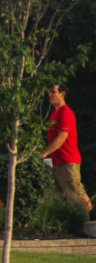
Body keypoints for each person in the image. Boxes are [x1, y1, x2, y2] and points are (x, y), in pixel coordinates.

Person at [42, 83, 91, 213]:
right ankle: (73, 224)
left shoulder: (66, 113)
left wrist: (45, 152)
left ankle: (89, 222)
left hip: (68, 161)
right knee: (64, 196)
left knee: (77, 193)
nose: (50, 95)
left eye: (53, 92)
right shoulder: (55, 113)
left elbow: (62, 137)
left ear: (62, 94)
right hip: (57, 161)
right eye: (50, 92)